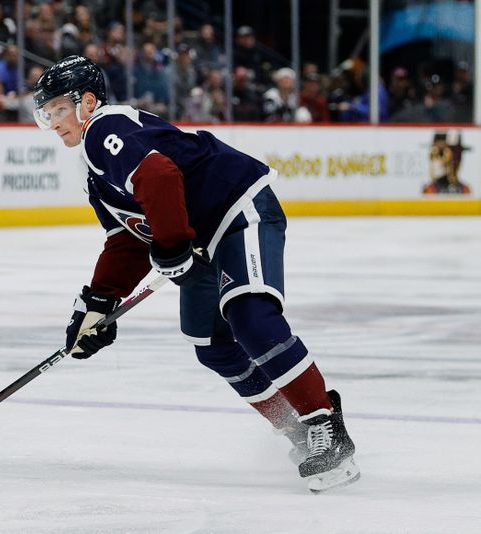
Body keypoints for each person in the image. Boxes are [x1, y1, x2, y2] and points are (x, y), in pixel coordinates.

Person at [32, 55, 360, 493]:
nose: (53, 122)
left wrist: (170, 247)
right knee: (212, 342)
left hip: (238, 208)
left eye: (57, 109)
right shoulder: (92, 175)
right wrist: (96, 303)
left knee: (249, 316)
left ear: (87, 102)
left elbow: (160, 175)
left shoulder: (104, 129)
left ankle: (324, 423)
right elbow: (128, 239)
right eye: (45, 114)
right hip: (201, 236)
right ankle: (296, 429)